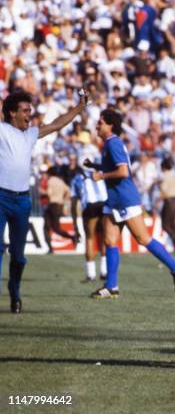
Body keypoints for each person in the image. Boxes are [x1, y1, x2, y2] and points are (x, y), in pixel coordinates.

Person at [84, 108, 175, 298]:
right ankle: (111, 286)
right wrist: (95, 166)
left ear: (110, 125)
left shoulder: (113, 143)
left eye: (100, 122)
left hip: (125, 199)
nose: (97, 125)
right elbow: (117, 167)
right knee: (109, 240)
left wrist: (101, 175)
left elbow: (123, 172)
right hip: (114, 199)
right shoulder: (109, 144)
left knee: (143, 239)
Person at [0, 89, 88, 313]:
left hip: (22, 201)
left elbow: (57, 124)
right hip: (1, 198)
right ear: (12, 113)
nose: (30, 114)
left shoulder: (30, 134)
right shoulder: (1, 130)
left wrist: (79, 107)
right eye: (25, 110)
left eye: (30, 109)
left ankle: (15, 291)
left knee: (19, 257)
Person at [70, 166, 108, 282]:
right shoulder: (101, 173)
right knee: (104, 237)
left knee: (90, 238)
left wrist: (75, 225)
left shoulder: (76, 178)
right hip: (104, 204)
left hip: (90, 206)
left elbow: (73, 203)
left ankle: (91, 274)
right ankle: (104, 271)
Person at [42, 166, 79, 253]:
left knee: (47, 228)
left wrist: (42, 191)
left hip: (52, 205)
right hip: (59, 205)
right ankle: (72, 237)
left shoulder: (50, 181)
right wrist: (64, 199)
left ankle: (51, 248)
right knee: (55, 228)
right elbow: (68, 190)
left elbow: (49, 193)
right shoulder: (60, 181)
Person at [159, 158, 175, 252]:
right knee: (172, 224)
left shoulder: (164, 177)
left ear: (163, 167)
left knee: (165, 225)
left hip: (169, 201)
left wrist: (157, 202)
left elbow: (164, 191)